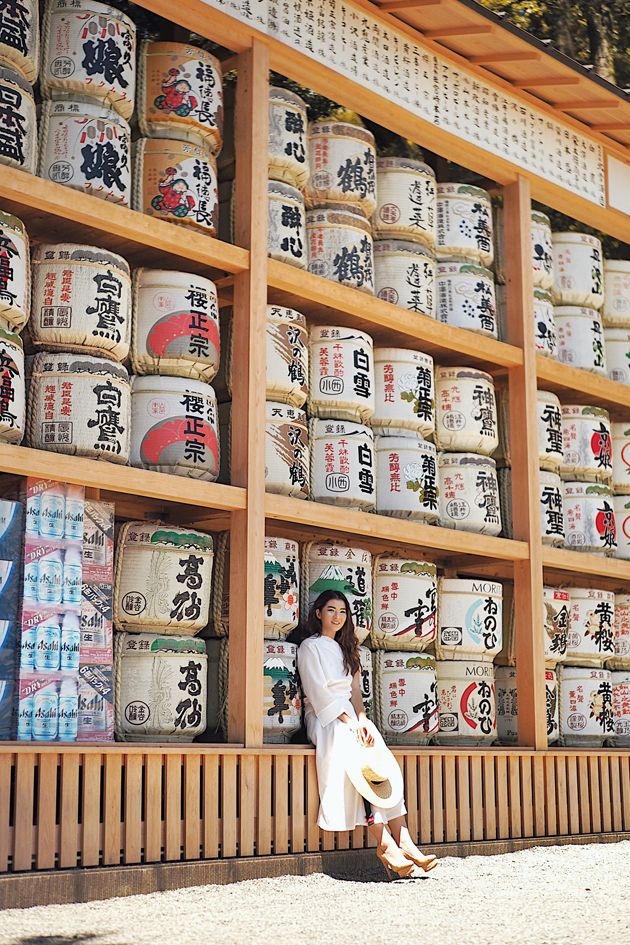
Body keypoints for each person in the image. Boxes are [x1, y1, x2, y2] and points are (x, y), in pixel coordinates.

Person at [296, 589, 438, 879]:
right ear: (318, 613)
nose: (337, 617)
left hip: (350, 716)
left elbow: (357, 694)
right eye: (331, 610)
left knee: (380, 760)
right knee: (351, 750)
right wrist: (350, 722)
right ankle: (383, 842)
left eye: (342, 612)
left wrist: (362, 721)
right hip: (325, 717)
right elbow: (318, 692)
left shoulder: (351, 649)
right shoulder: (309, 648)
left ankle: (405, 839)